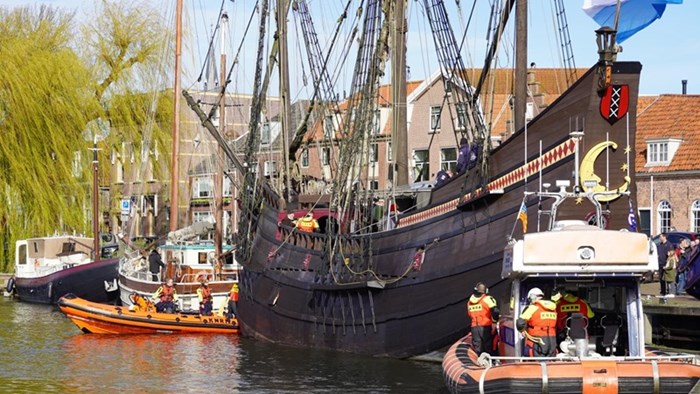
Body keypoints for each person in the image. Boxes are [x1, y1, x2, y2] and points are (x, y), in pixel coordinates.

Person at [516, 287, 557, 357]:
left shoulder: (532, 308)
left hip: (536, 342)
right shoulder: (553, 309)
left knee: (535, 364)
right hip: (552, 341)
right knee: (550, 364)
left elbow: (520, 323)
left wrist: (522, 331)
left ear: (533, 297)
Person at [467, 282, 499, 355]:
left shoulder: (469, 302)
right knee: (489, 346)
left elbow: (469, 314)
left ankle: (480, 363)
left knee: (478, 347)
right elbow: (495, 311)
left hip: (474, 327)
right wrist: (494, 322)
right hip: (486, 326)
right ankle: (491, 362)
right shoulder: (487, 299)